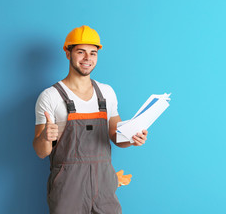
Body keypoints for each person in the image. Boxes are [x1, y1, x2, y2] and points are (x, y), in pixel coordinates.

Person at [33, 25, 148, 214]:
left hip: (104, 185)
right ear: (67, 53)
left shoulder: (107, 93)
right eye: (81, 52)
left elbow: (116, 136)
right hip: (68, 188)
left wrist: (132, 139)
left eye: (93, 53)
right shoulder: (50, 96)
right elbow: (41, 152)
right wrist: (46, 137)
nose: (88, 58)